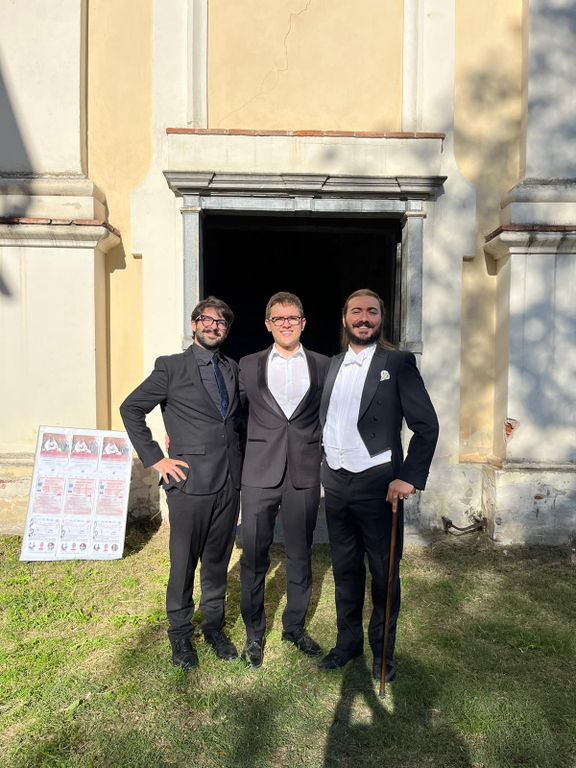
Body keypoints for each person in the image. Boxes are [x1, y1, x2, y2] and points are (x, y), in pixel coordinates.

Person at [318, 288, 438, 682]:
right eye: (356, 311)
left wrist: (409, 477)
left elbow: (426, 425)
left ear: (381, 319)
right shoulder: (333, 364)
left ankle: (383, 655)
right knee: (345, 569)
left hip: (378, 484)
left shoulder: (398, 362)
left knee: (384, 575)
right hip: (336, 482)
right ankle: (347, 644)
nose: (364, 318)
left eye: (372, 311)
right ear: (345, 318)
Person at [120, 297, 244, 671]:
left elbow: (235, 422)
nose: (213, 326)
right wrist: (156, 458)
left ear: (226, 330)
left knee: (218, 561)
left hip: (229, 481)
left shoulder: (233, 368)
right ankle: (179, 633)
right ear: (194, 324)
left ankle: (214, 627)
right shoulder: (171, 367)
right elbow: (131, 408)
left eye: (221, 322)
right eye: (206, 319)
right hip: (189, 483)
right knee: (184, 563)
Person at [238, 291, 331, 667]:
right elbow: (231, 416)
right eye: (279, 318)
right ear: (268, 324)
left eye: (293, 318)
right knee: (253, 555)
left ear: (303, 323)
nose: (286, 324)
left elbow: (334, 415)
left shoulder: (324, 365)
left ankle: (294, 627)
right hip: (259, 471)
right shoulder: (248, 365)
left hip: (303, 473)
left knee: (299, 553)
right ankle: (253, 633)